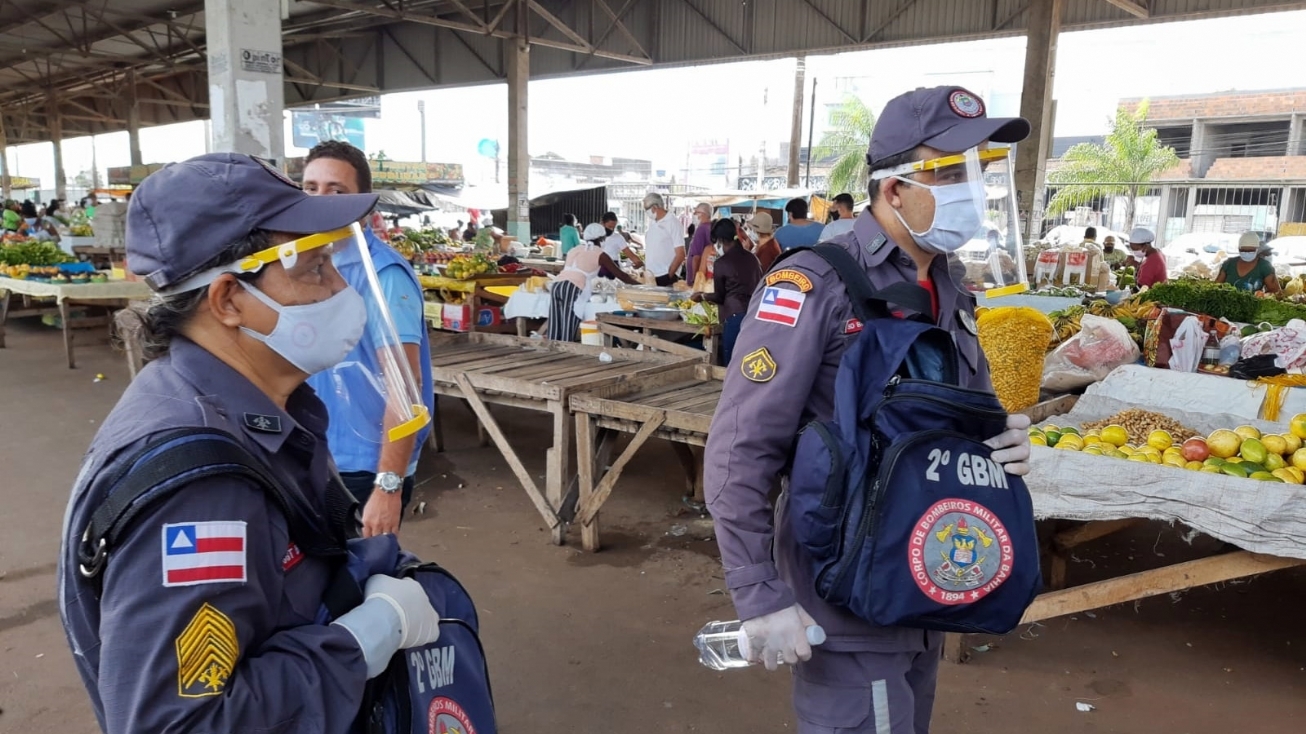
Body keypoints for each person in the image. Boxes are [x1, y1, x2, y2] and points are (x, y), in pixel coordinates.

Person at [58, 153, 442, 734]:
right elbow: (181, 723)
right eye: (314, 269)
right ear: (228, 300)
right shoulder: (204, 491)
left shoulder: (247, 408)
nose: (341, 290)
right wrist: (366, 636)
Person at [704, 86, 1033, 734]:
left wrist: (999, 444)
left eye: (981, 171)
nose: (974, 188)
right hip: (844, 600)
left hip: (925, 582)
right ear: (892, 188)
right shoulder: (814, 284)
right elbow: (740, 445)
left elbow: (951, 417)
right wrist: (759, 595)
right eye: (951, 172)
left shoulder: (951, 288)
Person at [300, 140, 436, 536]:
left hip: (364, 467)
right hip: (315, 453)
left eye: (336, 190)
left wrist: (388, 486)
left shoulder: (383, 277)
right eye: (311, 188)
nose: (321, 200)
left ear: (364, 204)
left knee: (356, 584)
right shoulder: (307, 266)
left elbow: (405, 391)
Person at [548, 223, 638, 341]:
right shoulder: (600, 254)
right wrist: (642, 286)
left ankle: (551, 351)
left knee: (555, 325)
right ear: (602, 238)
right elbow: (621, 275)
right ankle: (565, 351)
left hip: (556, 285)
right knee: (567, 326)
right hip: (572, 287)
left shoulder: (575, 250)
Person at [690, 218, 761, 366]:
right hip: (754, 314)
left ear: (720, 240)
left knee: (731, 362)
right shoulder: (752, 258)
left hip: (734, 315)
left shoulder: (722, 263)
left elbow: (719, 296)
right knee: (748, 360)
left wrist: (702, 296)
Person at [642, 192, 686, 285]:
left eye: (646, 209)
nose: (646, 212)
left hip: (665, 275)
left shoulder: (673, 223)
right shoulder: (653, 222)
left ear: (654, 207)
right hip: (651, 276)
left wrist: (669, 275)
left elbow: (681, 254)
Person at [1215, 231, 1280, 293]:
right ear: (1238, 249)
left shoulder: (1265, 266)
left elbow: (1276, 291)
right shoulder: (1229, 263)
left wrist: (1263, 295)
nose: (1247, 253)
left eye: (1251, 250)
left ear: (1257, 249)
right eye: (1243, 250)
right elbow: (1216, 286)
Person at [599, 211, 643, 277]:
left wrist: (639, 262)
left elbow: (628, 252)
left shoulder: (618, 238)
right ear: (602, 223)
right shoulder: (594, 236)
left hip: (613, 268)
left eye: (613, 227)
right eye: (609, 226)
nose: (611, 229)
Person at [687, 203, 714, 288]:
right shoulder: (711, 227)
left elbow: (696, 257)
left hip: (699, 276)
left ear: (703, 214)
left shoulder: (701, 229)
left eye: (696, 212)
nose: (694, 215)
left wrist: (695, 279)